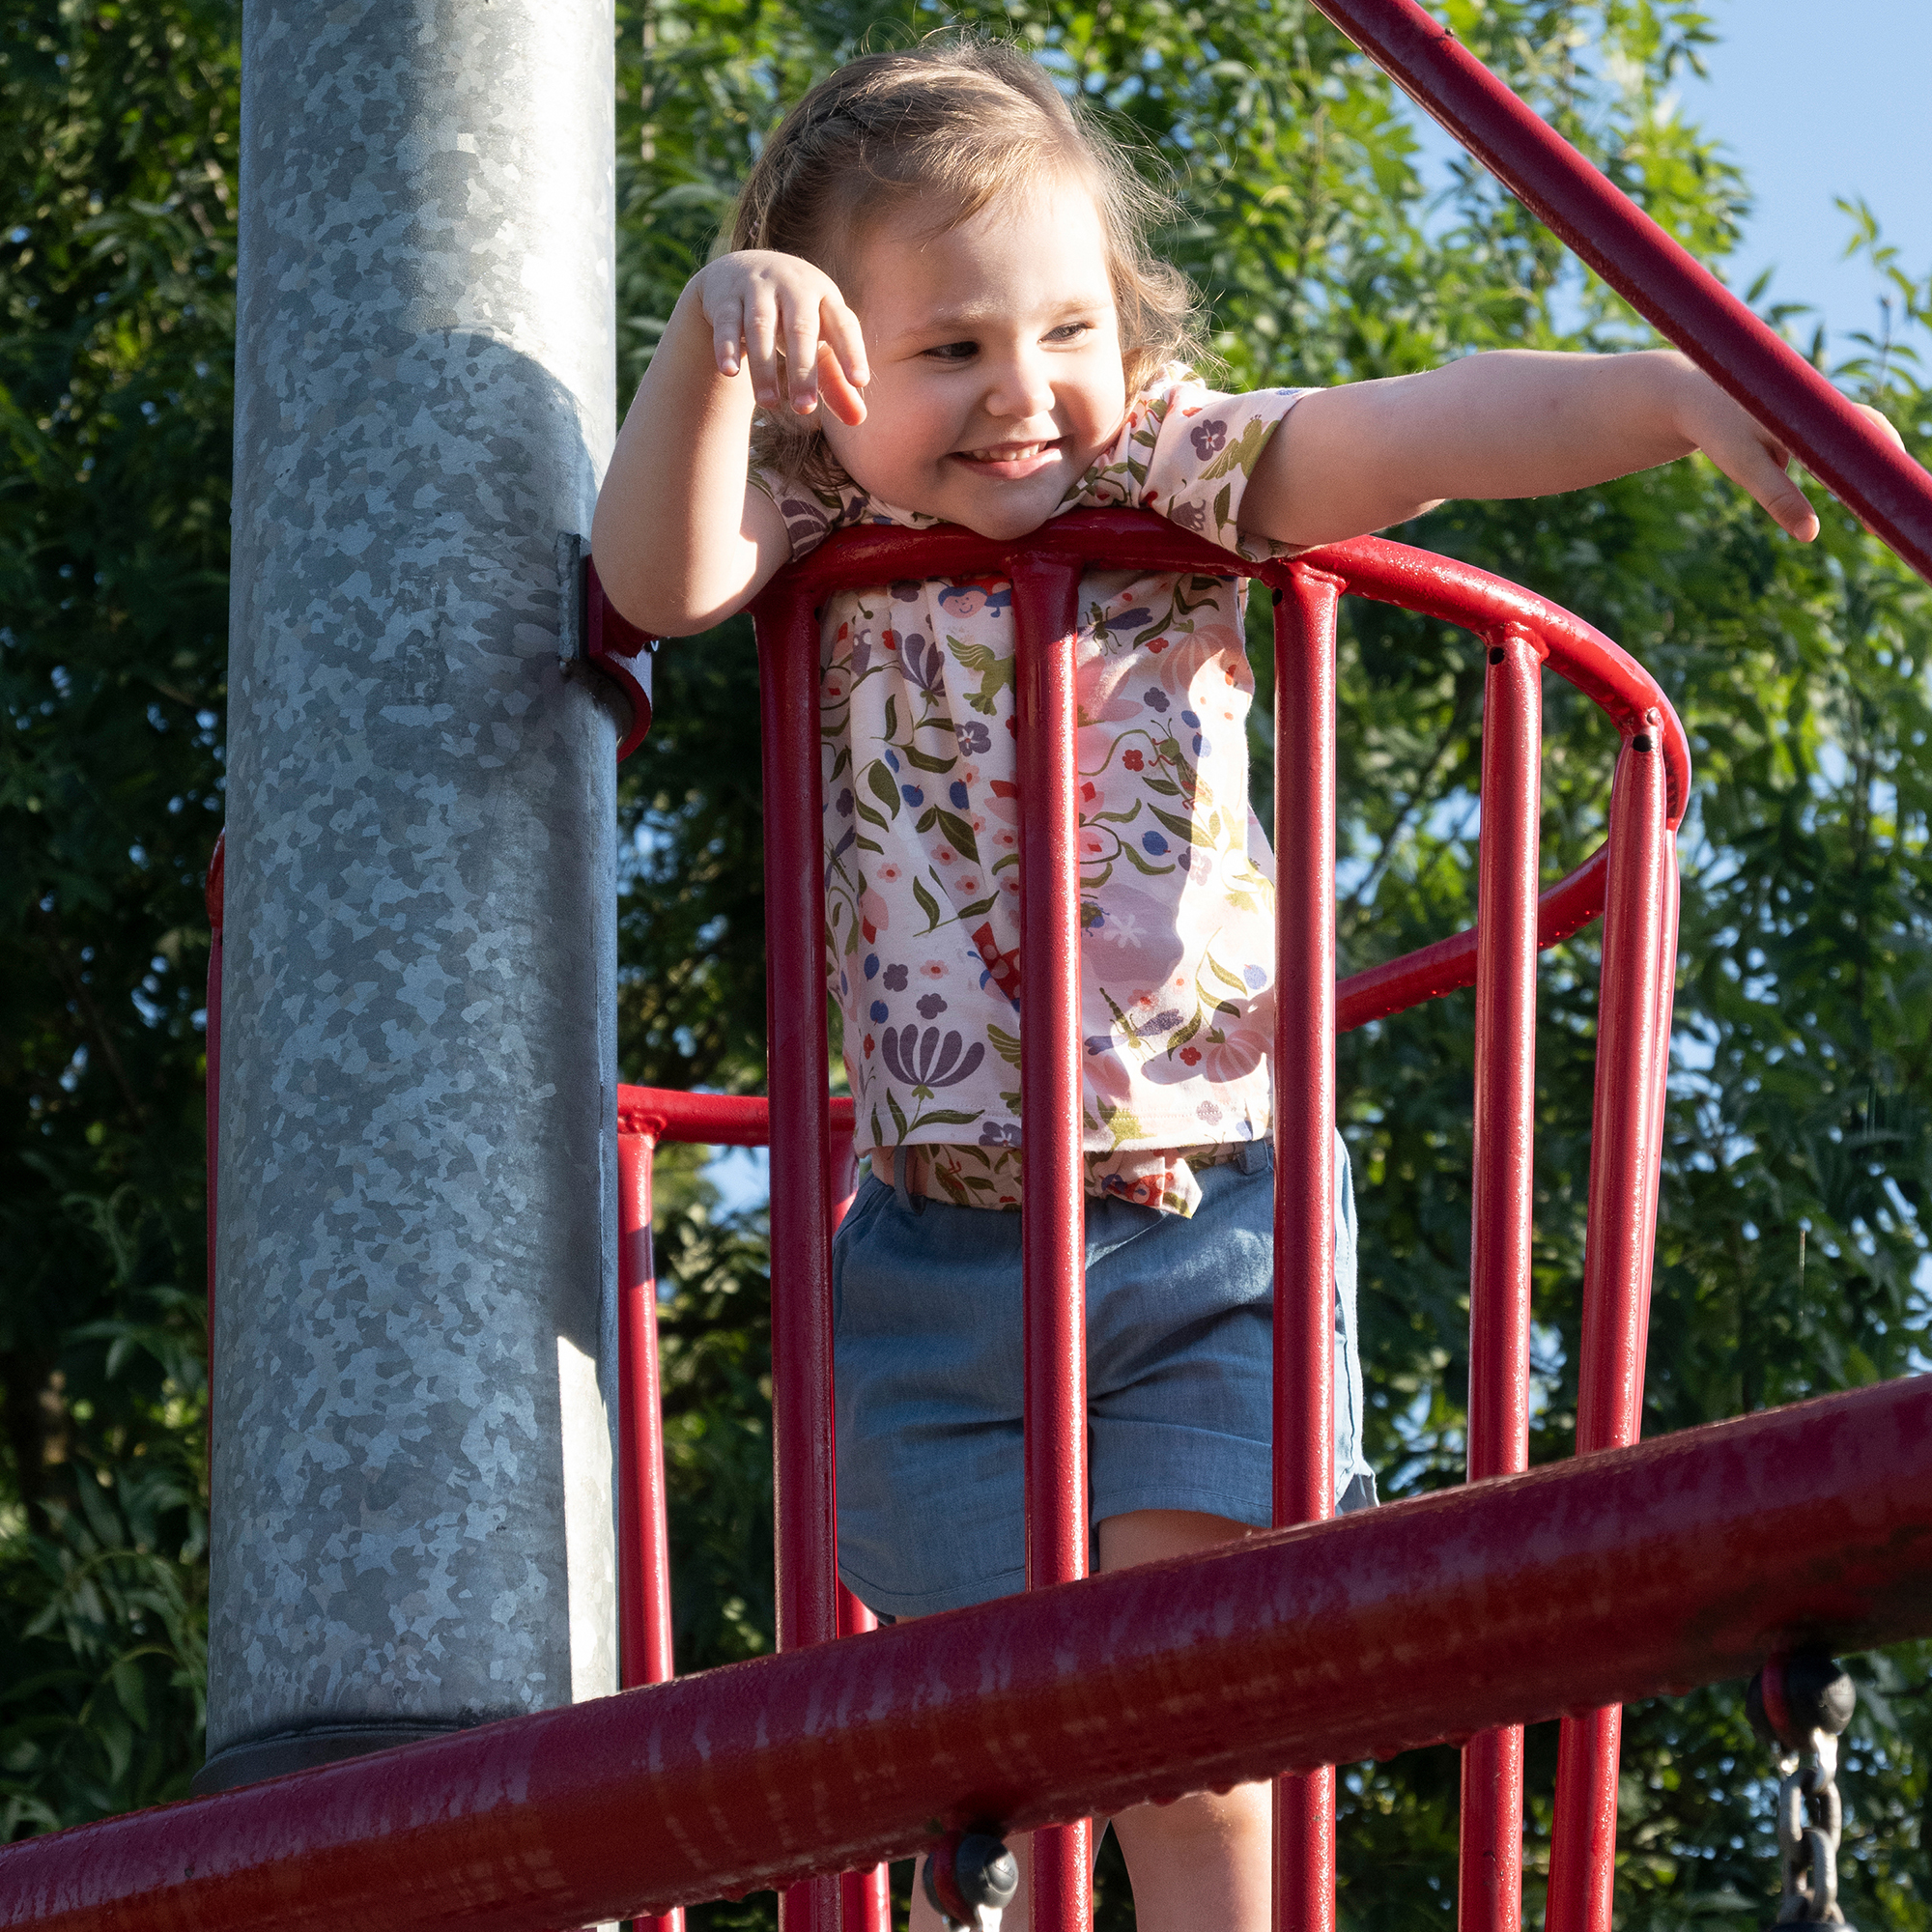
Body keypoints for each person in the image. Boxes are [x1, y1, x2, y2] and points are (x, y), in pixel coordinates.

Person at [591, 37, 1900, 1931]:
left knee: (1195, 1748)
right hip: (932, 1262)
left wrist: (1654, 394)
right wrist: (713, 341)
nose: (1023, 395)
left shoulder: (1166, 470)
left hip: (1204, 1222)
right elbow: (653, 572)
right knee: (991, 1760)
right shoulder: (823, 527)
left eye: (1065, 328)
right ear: (835, 380)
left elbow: (1422, 431)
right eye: (950, 351)